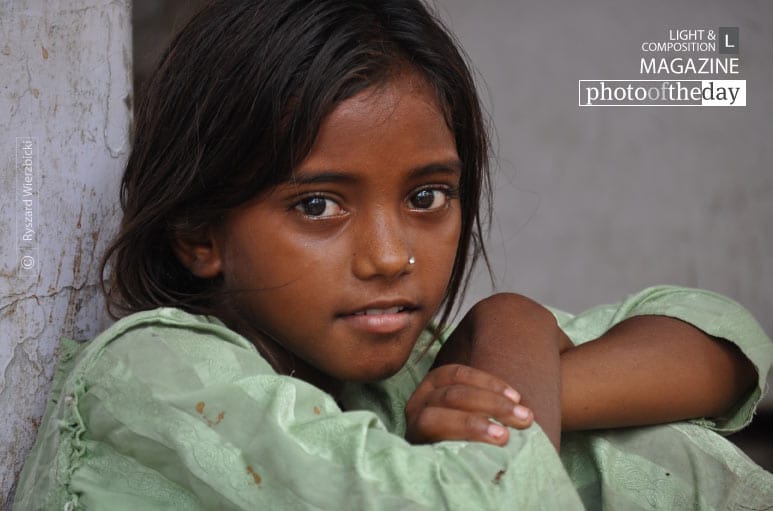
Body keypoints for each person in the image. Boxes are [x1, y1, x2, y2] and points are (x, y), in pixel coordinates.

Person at [13, 1, 773, 509]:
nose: (389, 256)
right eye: (318, 206)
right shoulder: (158, 374)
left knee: (648, 444)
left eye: (427, 196)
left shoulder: (392, 367)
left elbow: (720, 350)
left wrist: (528, 383)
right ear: (200, 235)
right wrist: (514, 328)